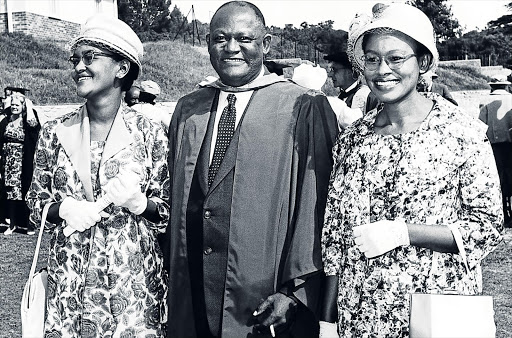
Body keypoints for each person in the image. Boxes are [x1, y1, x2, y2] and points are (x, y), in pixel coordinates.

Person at [319, 3, 503, 337]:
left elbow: (487, 227)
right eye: (372, 59)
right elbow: (335, 241)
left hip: (435, 316)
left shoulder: (461, 133)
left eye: (396, 58)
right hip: (361, 317)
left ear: (424, 63)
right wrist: (327, 321)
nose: (382, 69)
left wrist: (404, 232)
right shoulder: (351, 142)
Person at [164, 1, 338, 337]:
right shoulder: (190, 108)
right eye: (219, 38)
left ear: (266, 43)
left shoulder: (302, 106)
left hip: (264, 296)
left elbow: (318, 207)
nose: (231, 48)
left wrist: (294, 291)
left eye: (244, 38)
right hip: (192, 285)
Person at [25, 14, 169, 337]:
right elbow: (35, 203)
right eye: (75, 59)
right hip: (70, 284)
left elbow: (167, 211)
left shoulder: (149, 134)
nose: (78, 67)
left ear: (121, 68)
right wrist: (62, 208)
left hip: (134, 289)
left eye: (90, 57)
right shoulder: (54, 132)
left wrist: (139, 203)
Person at [0, 92, 40, 235]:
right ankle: (12, 224)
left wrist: (28, 107)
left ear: (23, 106)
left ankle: (29, 224)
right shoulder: (7, 120)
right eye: (13, 105)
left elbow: (33, 125)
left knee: (25, 192)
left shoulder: (27, 118)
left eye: (17, 105)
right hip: (8, 163)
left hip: (23, 162)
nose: (14, 107)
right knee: (10, 193)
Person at [479, 74, 512, 227]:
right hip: (510, 145)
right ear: (506, 86)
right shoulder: (511, 100)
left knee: (499, 178)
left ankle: (503, 212)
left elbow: (480, 125)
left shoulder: (485, 102)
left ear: (492, 86)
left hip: (494, 147)